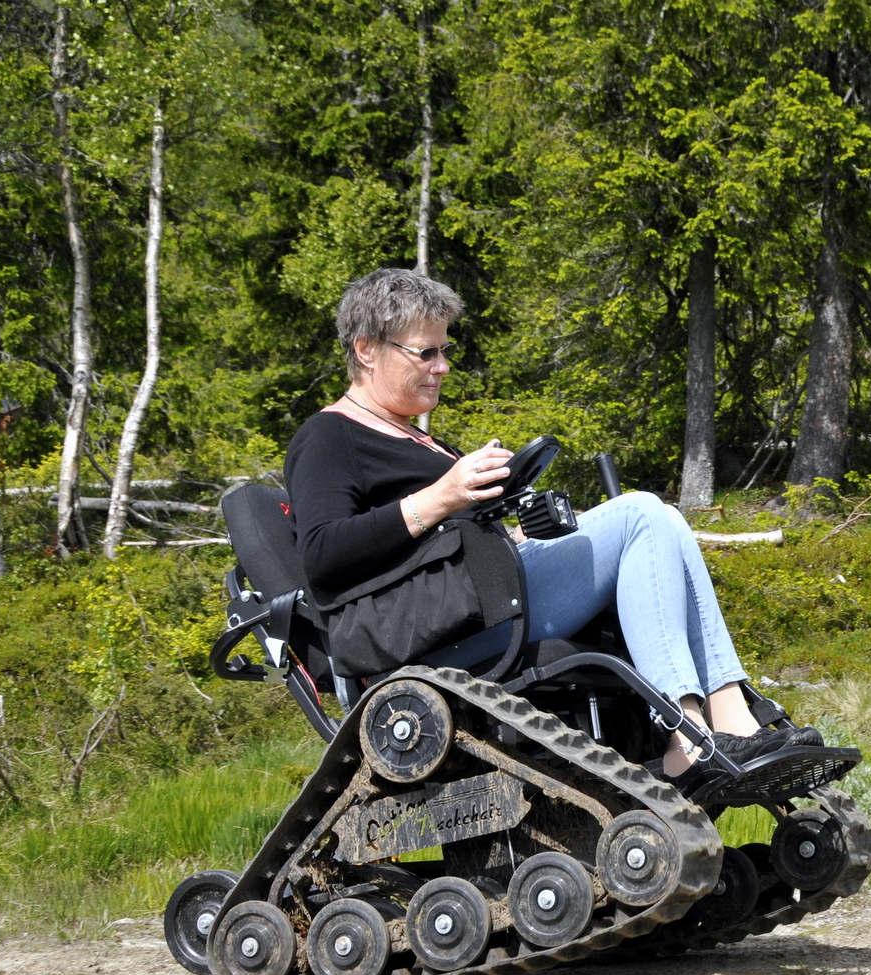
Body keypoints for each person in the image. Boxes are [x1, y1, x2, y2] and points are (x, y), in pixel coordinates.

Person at [283, 268, 820, 795]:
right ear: (367, 350)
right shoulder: (329, 436)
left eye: (446, 351)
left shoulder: (421, 442)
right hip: (435, 630)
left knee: (662, 519)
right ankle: (689, 735)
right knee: (641, 514)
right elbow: (324, 558)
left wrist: (506, 531)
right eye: (427, 353)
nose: (442, 366)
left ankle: (734, 720)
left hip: (483, 599)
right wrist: (443, 495)